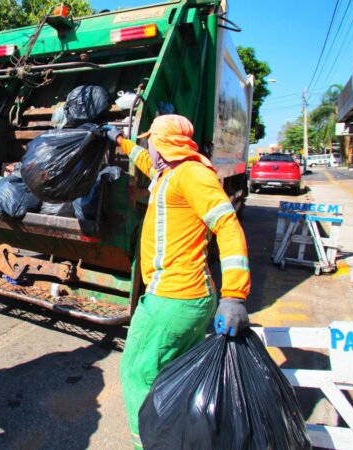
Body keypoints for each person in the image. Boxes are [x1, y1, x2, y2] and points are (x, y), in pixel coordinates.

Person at [104, 115, 251, 449]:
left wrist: (235, 295)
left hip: (173, 299)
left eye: (150, 140)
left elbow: (228, 225)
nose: (148, 146)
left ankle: (148, 443)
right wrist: (119, 141)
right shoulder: (170, 171)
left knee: (136, 373)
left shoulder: (192, 175)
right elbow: (144, 161)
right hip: (185, 299)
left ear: (164, 144)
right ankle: (175, 437)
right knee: (171, 377)